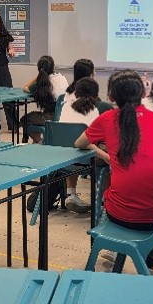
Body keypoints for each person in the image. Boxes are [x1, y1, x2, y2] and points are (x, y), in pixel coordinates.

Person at [75, 70, 153, 275]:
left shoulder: (107, 119)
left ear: (111, 97)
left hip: (123, 217)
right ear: (144, 94)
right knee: (141, 199)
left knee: (114, 197)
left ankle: (113, 247)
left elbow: (79, 143)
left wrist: (104, 154)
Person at [59, 77, 101, 213]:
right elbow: (95, 137)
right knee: (107, 157)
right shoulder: (94, 109)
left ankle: (71, 194)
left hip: (62, 155)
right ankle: (102, 198)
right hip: (87, 158)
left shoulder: (65, 106)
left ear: (75, 93)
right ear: (96, 96)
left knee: (71, 146)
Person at [21, 55, 68, 143]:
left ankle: (41, 142)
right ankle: (40, 142)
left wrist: (38, 76)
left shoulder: (42, 82)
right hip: (63, 114)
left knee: (24, 120)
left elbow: (25, 87)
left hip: (50, 117)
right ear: (53, 66)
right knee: (34, 118)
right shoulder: (61, 77)